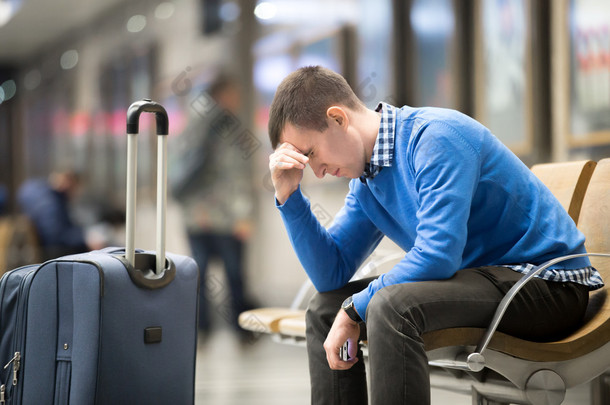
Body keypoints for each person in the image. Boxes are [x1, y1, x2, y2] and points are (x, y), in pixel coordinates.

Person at [267, 66, 603, 404]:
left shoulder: (435, 137)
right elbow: (331, 275)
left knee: (390, 305)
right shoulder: (367, 182)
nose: (317, 172)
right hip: (486, 282)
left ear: (338, 119)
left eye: (310, 153)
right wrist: (288, 197)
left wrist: (355, 308)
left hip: (547, 285)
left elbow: (437, 255)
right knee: (326, 309)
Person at [169, 73, 254, 340]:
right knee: (233, 274)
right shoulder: (228, 128)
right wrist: (244, 215)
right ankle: (240, 329)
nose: (237, 100)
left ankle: (202, 329)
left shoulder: (192, 124)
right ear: (222, 96)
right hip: (224, 218)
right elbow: (236, 176)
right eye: (233, 95)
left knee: (200, 275)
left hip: (196, 215)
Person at [17, 170, 103, 260]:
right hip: (51, 255)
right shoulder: (50, 204)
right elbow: (55, 236)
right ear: (68, 183)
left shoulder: (42, 194)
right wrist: (84, 239)